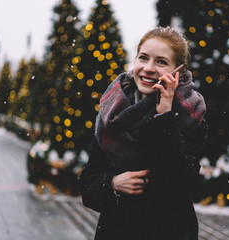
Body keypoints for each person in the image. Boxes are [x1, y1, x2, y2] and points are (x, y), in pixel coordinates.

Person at [78, 26, 207, 240]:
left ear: (179, 71)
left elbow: (181, 181)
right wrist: (112, 184)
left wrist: (165, 114)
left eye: (161, 62)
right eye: (143, 58)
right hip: (117, 230)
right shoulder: (113, 109)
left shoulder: (191, 113)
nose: (148, 68)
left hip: (170, 231)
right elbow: (88, 184)